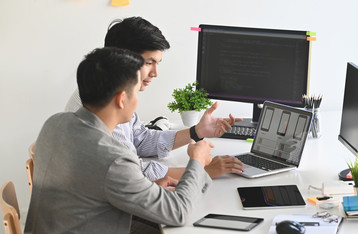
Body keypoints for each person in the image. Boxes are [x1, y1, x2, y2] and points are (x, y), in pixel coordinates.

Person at [24, 47, 214, 234]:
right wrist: (197, 161)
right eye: (136, 92)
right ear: (122, 99)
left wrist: (141, 188)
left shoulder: (54, 123)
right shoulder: (113, 159)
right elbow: (178, 212)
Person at [65, 17, 244, 181]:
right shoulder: (105, 104)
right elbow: (134, 173)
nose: (155, 73)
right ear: (122, 60)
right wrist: (200, 170)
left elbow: (140, 138)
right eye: (149, 63)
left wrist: (196, 131)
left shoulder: (109, 89)